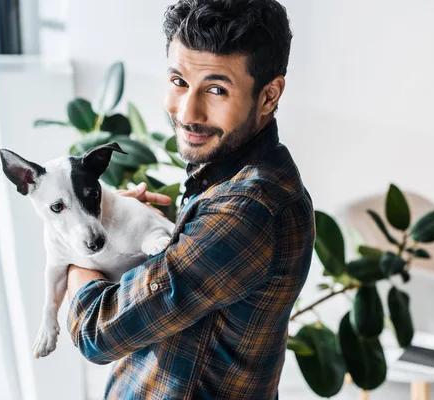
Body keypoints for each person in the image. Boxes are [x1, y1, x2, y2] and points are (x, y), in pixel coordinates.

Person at [66, 0, 315, 398]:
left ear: (269, 96)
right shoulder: (223, 175)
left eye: (216, 89)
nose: (187, 112)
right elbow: (182, 314)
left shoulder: (251, 208)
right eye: (179, 81)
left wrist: (79, 254)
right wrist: (121, 232)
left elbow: (98, 332)